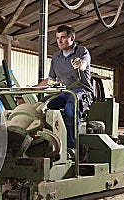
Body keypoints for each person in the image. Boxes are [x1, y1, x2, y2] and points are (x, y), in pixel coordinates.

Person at [44, 25, 94, 156]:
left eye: (63, 38)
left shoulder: (82, 51)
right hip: (66, 92)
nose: (59, 41)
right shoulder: (56, 58)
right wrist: (31, 88)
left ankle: (71, 148)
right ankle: (48, 144)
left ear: (72, 38)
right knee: (44, 107)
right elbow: (50, 79)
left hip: (82, 92)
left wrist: (80, 64)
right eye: (58, 38)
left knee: (71, 109)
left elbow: (84, 64)